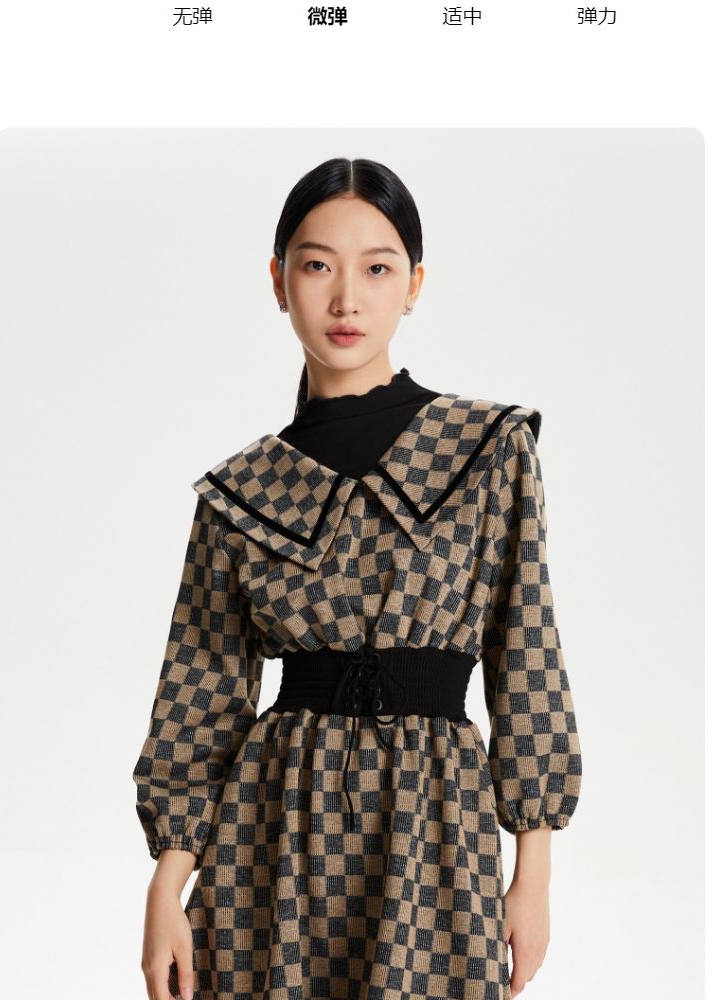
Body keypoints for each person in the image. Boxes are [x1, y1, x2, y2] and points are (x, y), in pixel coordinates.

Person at [132, 157, 583, 1000]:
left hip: (435, 820)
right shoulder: (241, 492)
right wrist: (166, 885)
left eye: (377, 268)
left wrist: (534, 871)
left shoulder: (486, 449)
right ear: (278, 281)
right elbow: (198, 697)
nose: (346, 300)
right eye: (317, 266)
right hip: (272, 829)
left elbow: (528, 655)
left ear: (414, 285)